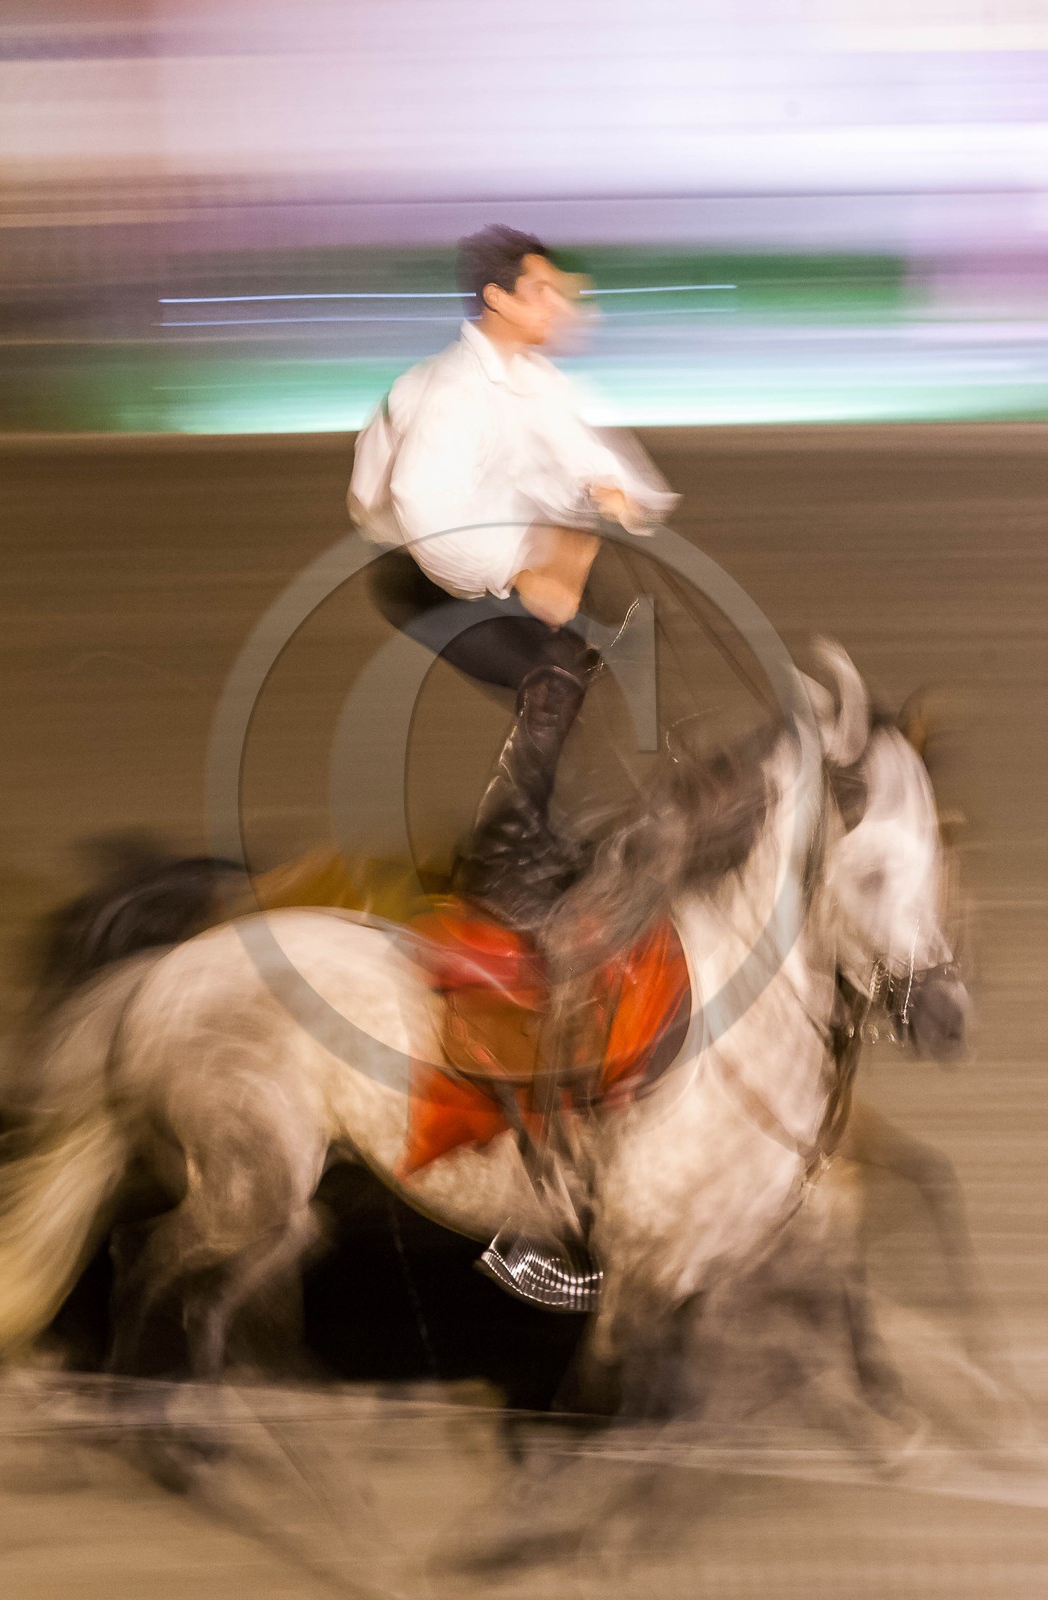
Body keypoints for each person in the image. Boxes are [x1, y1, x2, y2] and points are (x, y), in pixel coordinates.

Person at [348, 225, 677, 1305]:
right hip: (437, 577)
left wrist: (602, 503)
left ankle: (541, 823)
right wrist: (539, 552)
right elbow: (436, 540)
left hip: (496, 559)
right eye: (546, 291)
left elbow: (602, 464)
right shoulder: (447, 395)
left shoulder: (532, 383)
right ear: (498, 298)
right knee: (556, 675)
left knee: (597, 653)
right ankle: (506, 850)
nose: (565, 305)